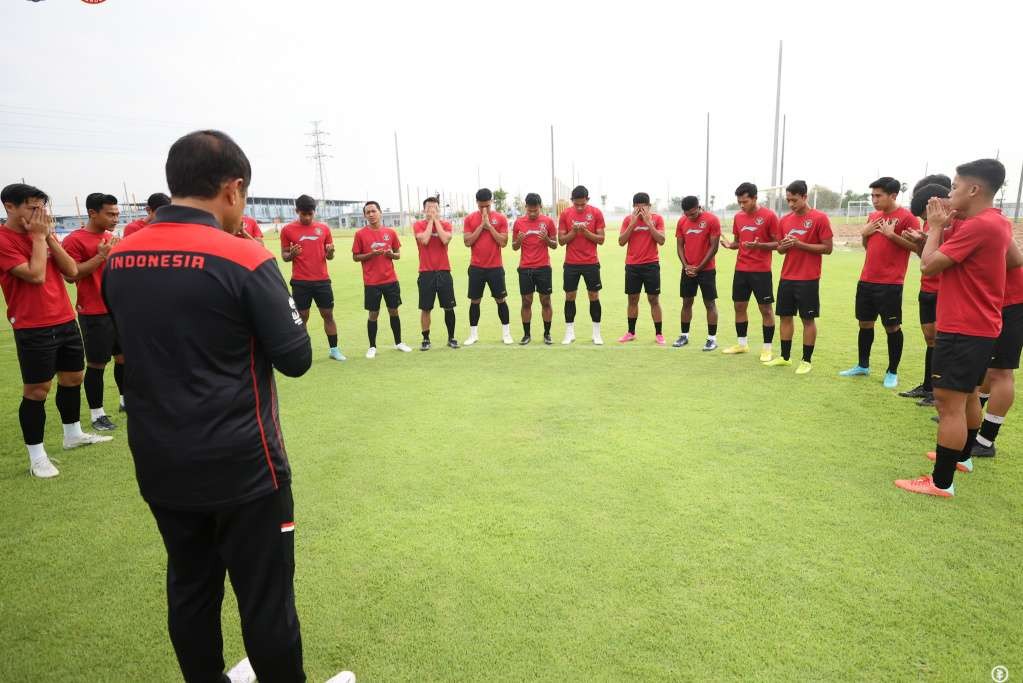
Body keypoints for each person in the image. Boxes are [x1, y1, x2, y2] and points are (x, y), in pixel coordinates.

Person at [102, 129, 353, 682]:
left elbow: (120, 347)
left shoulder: (120, 257)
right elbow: (296, 357)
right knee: (265, 596)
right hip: (244, 464)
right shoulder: (243, 256)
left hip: (160, 459)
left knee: (190, 586)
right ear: (234, 190)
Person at [895, 158, 1018, 497]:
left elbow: (930, 267)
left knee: (948, 403)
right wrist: (936, 234)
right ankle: (962, 458)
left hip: (964, 328)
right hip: (979, 327)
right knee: (965, 399)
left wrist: (935, 229)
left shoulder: (981, 226)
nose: (950, 193)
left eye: (955, 186)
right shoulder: (995, 222)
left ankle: (941, 482)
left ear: (974, 189)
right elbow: (963, 261)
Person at [1, 183, 112, 479]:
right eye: (32, 208)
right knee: (37, 390)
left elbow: (72, 272)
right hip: (32, 325)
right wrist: (39, 237)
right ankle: (37, 456)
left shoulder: (44, 235)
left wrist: (48, 237)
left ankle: (72, 433)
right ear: (9, 207)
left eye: (42, 208)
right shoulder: (4, 239)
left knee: (73, 377)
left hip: (64, 318)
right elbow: (36, 275)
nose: (40, 214)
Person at [838, 177, 919, 388]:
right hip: (866, 280)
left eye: (878, 195)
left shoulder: (908, 218)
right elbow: (869, 246)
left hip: (891, 283)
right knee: (864, 323)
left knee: (892, 327)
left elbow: (916, 249)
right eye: (872, 195)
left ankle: (892, 371)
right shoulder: (873, 216)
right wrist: (865, 235)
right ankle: (863, 365)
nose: (874, 200)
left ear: (893, 195)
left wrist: (892, 236)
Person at [62, 192, 125, 427]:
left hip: (118, 309)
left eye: (117, 214)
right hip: (94, 312)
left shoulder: (111, 237)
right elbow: (71, 275)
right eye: (110, 214)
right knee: (97, 364)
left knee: (124, 358)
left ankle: (125, 399)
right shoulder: (74, 240)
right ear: (92, 213)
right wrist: (100, 256)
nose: (115, 218)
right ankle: (97, 414)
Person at [763, 180, 833, 374]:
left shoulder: (819, 218)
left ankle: (806, 361)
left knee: (807, 320)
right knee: (785, 317)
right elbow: (780, 249)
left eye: (794, 200)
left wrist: (800, 244)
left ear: (805, 197)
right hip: (787, 277)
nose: (791, 204)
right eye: (788, 200)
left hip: (808, 278)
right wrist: (783, 247)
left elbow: (828, 248)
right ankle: (785, 357)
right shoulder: (784, 220)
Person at [899, 179, 953, 408]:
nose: (925, 220)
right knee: (930, 339)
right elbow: (926, 259)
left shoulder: (952, 225)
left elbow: (947, 259)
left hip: (945, 291)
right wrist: (921, 241)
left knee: (942, 341)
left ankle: (940, 393)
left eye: (925, 215)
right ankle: (928, 386)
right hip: (927, 288)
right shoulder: (930, 224)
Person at [719, 182, 781, 361]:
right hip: (741, 270)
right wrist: (732, 245)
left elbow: (779, 244)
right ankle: (742, 344)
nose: (742, 205)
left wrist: (760, 245)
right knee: (739, 306)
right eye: (739, 202)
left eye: (745, 201)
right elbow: (739, 241)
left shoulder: (769, 216)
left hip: (761, 271)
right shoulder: (738, 217)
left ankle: (767, 349)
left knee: (766, 310)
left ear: (755, 198)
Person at [281, 195, 345, 361]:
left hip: (322, 280)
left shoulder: (323, 229)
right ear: (297, 211)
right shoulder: (287, 230)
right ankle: (301, 353)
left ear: (314, 211)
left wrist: (330, 252)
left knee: (328, 314)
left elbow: (329, 256)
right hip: (300, 281)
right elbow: (284, 256)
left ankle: (334, 349)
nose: (308, 217)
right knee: (302, 318)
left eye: (310, 214)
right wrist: (291, 254)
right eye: (304, 214)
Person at [970, 263, 1023, 458]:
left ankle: (986, 440)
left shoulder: (994, 231)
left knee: (1001, 371)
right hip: (993, 300)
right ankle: (971, 418)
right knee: (988, 365)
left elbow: (1014, 258)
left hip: (1011, 301)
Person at [352, 201, 411, 358]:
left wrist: (392, 255)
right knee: (373, 314)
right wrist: (371, 254)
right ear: (365, 215)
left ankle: (399, 342)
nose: (371, 214)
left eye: (373, 211)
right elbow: (355, 257)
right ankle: (372, 347)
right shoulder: (360, 234)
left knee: (394, 311)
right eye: (368, 212)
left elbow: (398, 254)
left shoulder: (390, 232)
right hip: (372, 282)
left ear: (380, 212)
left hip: (390, 280)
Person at [463, 188, 512, 345]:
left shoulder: (500, 218)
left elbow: (503, 242)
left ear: (491, 202)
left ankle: (506, 334)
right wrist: (480, 226)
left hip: (495, 267)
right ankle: (473, 335)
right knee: (475, 301)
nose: (484, 209)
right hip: (476, 267)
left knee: (500, 299)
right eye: (481, 206)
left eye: (487, 206)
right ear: (477, 203)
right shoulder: (470, 219)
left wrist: (489, 226)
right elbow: (467, 241)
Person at [558, 185, 605, 345]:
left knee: (594, 296)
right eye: (576, 204)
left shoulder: (596, 213)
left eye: (582, 204)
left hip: (591, 262)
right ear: (572, 201)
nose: (579, 207)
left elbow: (601, 239)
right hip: (571, 263)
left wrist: (585, 232)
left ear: (588, 200)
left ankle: (596, 333)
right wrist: (573, 232)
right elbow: (561, 241)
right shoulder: (565, 214)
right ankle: (569, 333)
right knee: (570, 296)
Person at [618, 192, 666, 344]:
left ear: (649, 206)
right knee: (632, 299)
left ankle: (659, 334)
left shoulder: (657, 219)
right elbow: (621, 241)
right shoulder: (628, 220)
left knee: (653, 299)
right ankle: (631, 332)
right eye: (637, 207)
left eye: (643, 206)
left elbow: (661, 240)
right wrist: (633, 223)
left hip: (651, 265)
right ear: (633, 207)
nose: (640, 209)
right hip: (632, 265)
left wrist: (648, 222)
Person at [674, 195, 720, 350]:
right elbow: (680, 246)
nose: (690, 217)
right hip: (688, 270)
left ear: (699, 207)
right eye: (687, 214)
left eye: (693, 214)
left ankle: (711, 339)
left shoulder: (712, 220)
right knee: (686, 302)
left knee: (710, 304)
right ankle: (684, 335)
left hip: (706, 270)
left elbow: (714, 247)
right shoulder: (682, 221)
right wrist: (686, 265)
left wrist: (698, 267)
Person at [512, 193, 557, 345]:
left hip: (543, 267)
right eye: (529, 210)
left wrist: (546, 239)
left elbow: (555, 245)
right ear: (525, 207)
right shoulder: (518, 223)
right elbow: (514, 247)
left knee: (546, 301)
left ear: (540, 207)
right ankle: (526, 334)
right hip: (525, 268)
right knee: (526, 301)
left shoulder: (548, 222)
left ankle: (547, 333)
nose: (532, 213)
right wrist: (518, 241)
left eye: (535, 211)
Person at [413, 197, 458, 350]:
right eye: (428, 208)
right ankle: (425, 339)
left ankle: (451, 338)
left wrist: (436, 221)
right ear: (423, 210)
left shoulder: (446, 224)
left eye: (435, 208)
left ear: (439, 210)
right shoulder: (418, 225)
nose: (432, 211)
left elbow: (445, 239)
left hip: (444, 271)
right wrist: (431, 221)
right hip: (426, 272)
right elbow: (424, 240)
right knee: (426, 308)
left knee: (449, 307)